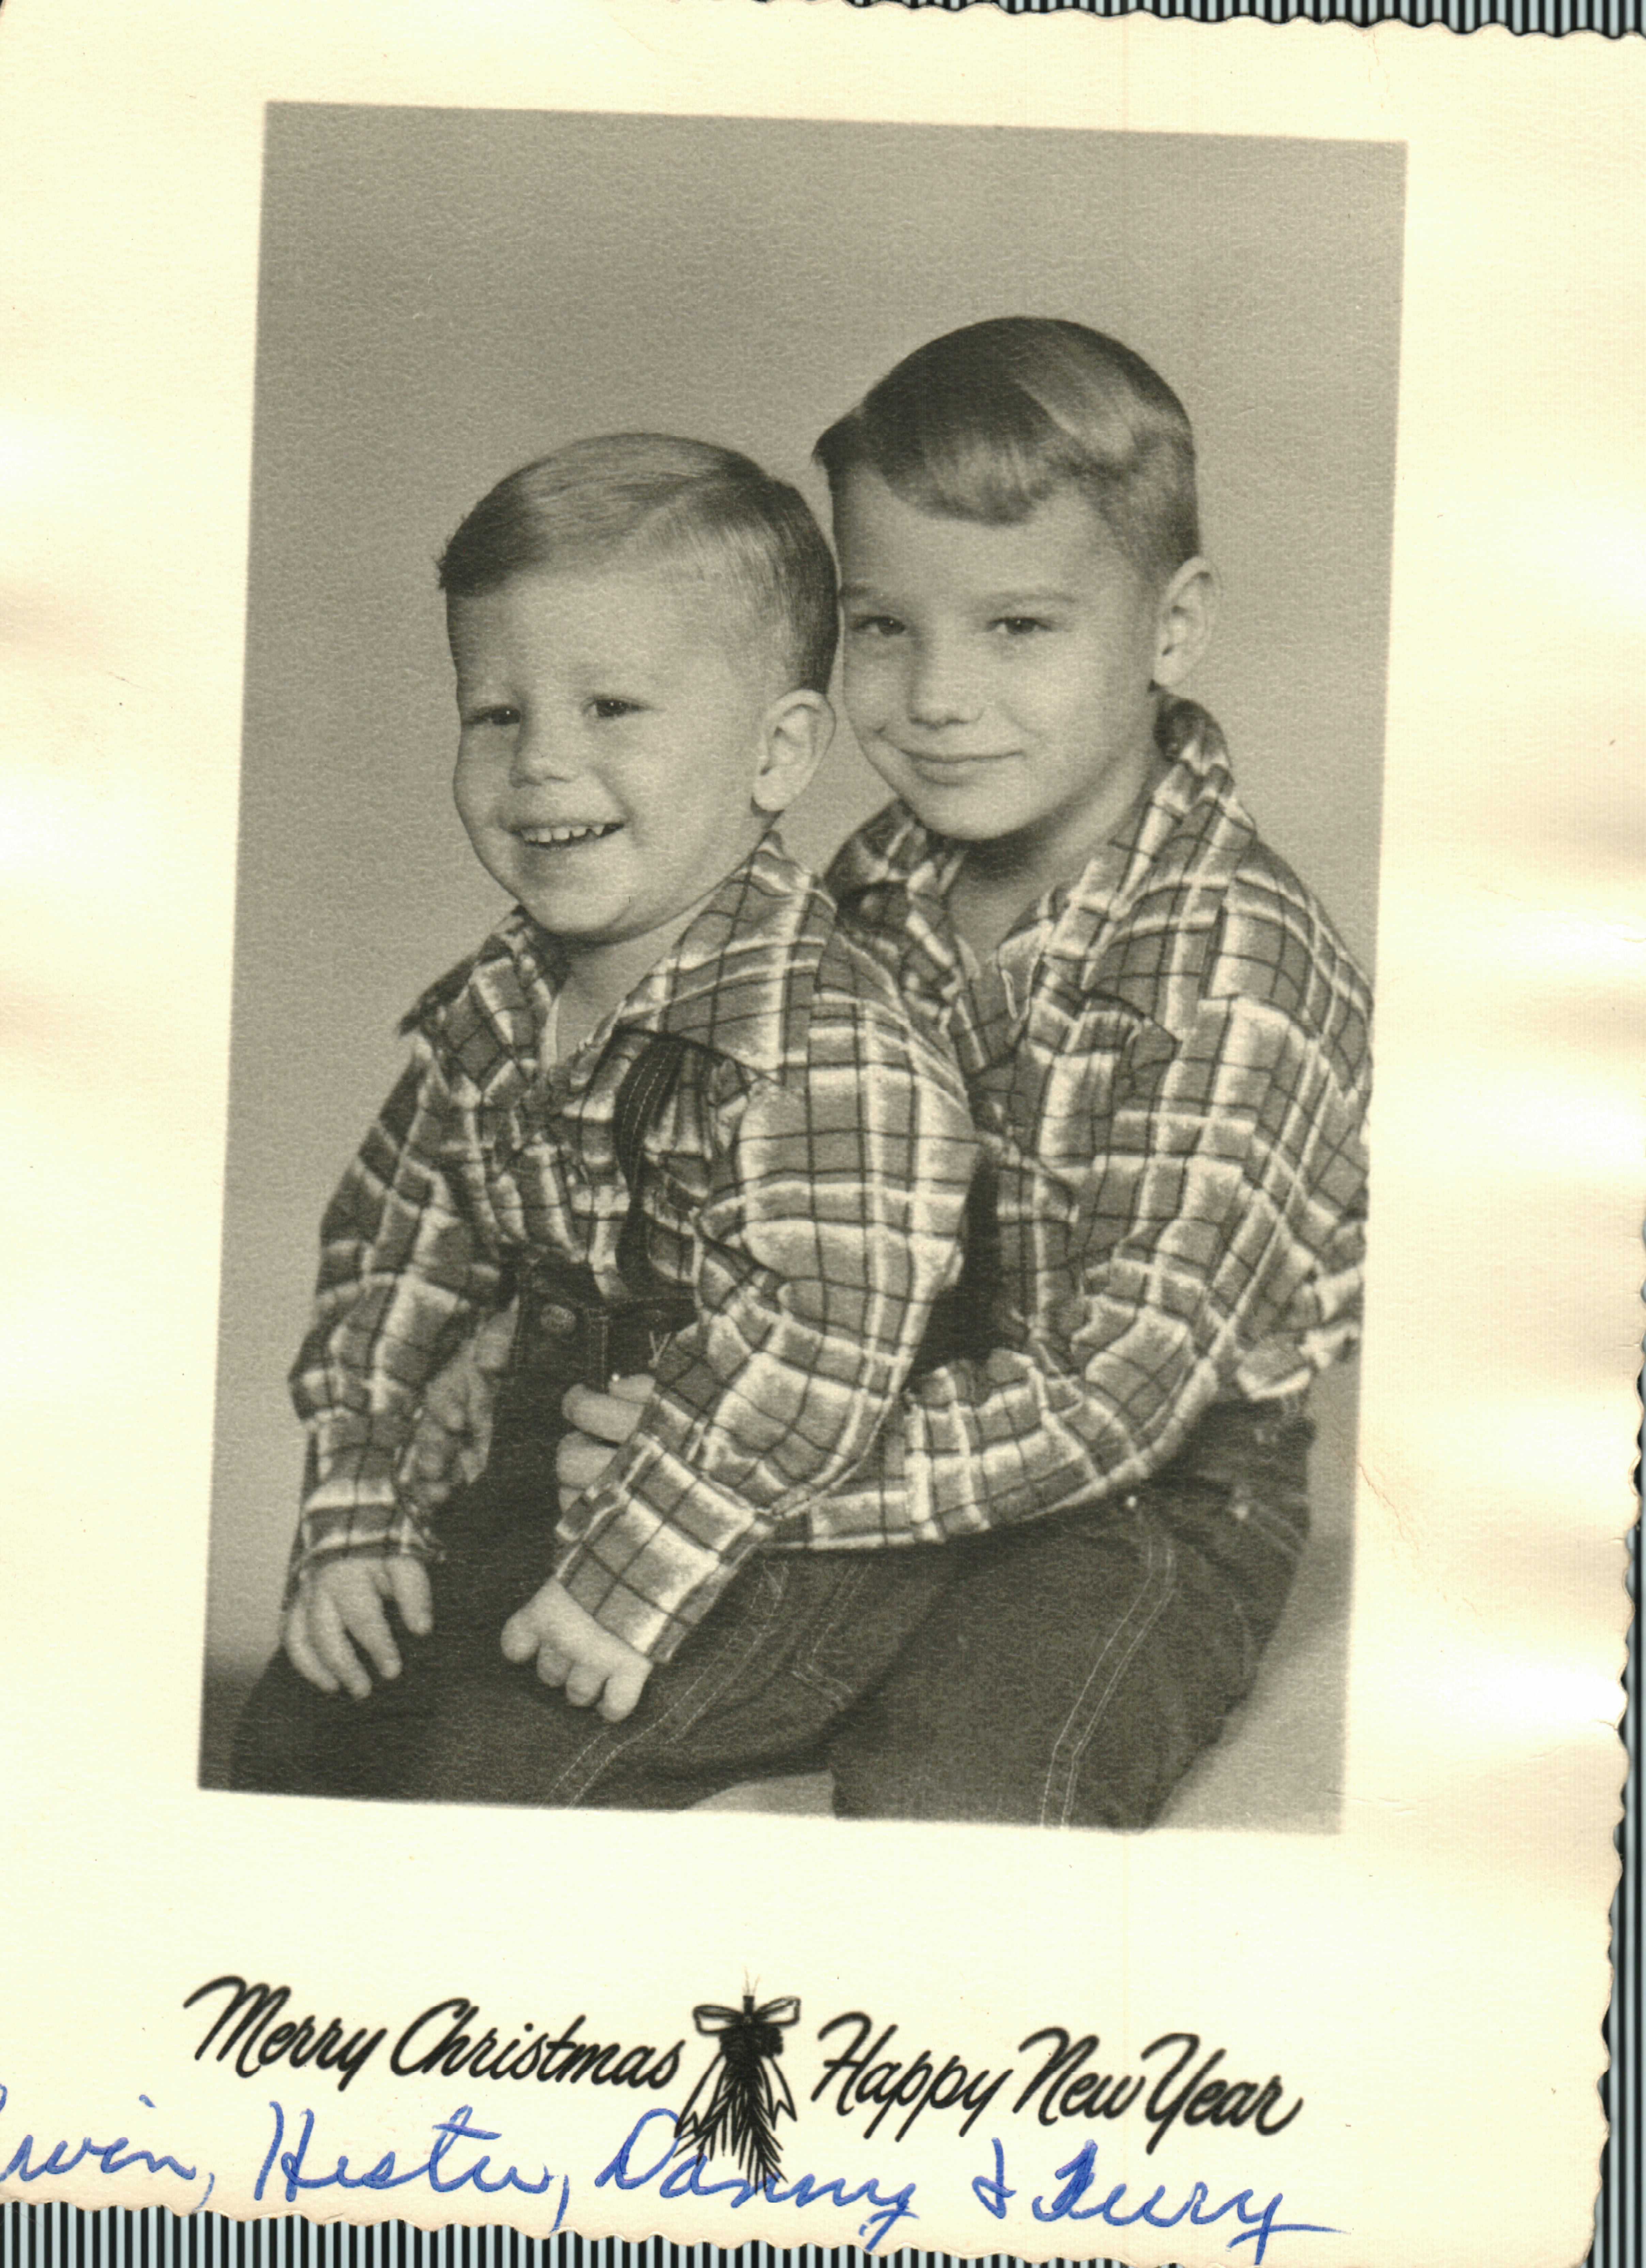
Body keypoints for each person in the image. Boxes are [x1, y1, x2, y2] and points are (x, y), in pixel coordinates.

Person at [554, 319, 1372, 1827]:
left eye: (1017, 628)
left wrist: (730, 1480)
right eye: (880, 626)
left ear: (1172, 627)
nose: (934, 695)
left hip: (1154, 1484)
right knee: (527, 1709)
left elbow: (1116, 1398)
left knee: (961, 1784)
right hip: (878, 1400)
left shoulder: (1237, 964)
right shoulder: (875, 881)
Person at [230, 432, 982, 1803]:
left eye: (611, 708)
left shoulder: (826, 1047)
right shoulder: (497, 1011)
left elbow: (811, 1354)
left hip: (774, 1531)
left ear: (777, 752)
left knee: (495, 1770)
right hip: (552, 1471)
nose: (540, 766)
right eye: (495, 715)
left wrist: (623, 1584)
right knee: (302, 1730)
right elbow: (389, 1256)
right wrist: (358, 1508)